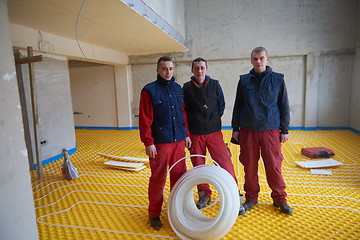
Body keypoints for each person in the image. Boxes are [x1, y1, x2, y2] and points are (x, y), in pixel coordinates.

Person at [231, 47, 294, 215]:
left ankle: (280, 199)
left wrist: (284, 129)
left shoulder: (278, 79)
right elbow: (238, 105)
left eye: (261, 58)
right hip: (247, 130)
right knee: (249, 165)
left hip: (270, 129)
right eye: (255, 58)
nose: (258, 61)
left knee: (274, 165)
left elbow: (284, 105)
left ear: (267, 59)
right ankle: (251, 198)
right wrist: (235, 128)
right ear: (251, 60)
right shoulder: (244, 80)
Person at [183, 57, 245, 215]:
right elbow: (184, 110)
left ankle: (234, 194)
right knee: (199, 166)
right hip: (196, 134)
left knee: (225, 163)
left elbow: (221, 106)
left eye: (202, 68)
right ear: (192, 70)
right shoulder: (186, 88)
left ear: (207, 69)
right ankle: (204, 195)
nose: (199, 71)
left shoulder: (215, 85)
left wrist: (211, 120)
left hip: (214, 133)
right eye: (196, 68)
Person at [139, 56, 192, 230]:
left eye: (170, 68)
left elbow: (183, 115)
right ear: (157, 70)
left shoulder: (178, 89)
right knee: (158, 180)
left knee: (179, 178)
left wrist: (186, 135)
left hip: (178, 142)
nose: (168, 72)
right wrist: (148, 142)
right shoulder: (149, 91)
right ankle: (154, 214)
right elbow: (145, 119)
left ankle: (177, 209)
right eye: (164, 69)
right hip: (160, 144)